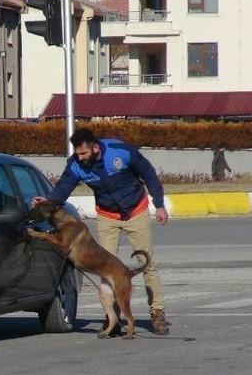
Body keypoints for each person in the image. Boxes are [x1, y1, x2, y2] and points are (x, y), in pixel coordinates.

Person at [32, 128, 170, 335]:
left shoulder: (120, 151)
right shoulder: (76, 164)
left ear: (95, 147)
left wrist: (159, 204)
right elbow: (63, 188)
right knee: (106, 266)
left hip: (136, 210)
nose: (79, 158)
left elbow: (148, 173)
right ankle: (112, 319)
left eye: (83, 153)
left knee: (147, 264)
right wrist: (49, 201)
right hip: (107, 215)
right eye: (77, 154)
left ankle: (157, 313)